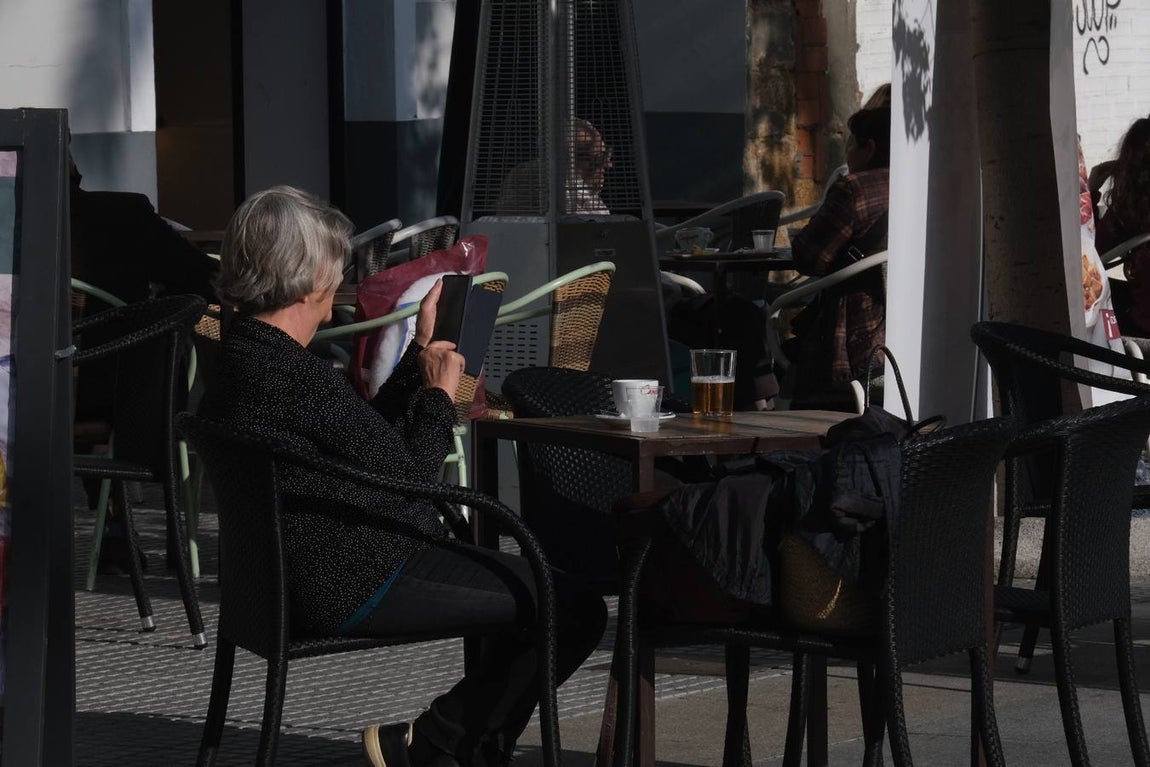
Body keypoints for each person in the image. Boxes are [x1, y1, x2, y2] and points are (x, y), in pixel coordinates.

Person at [196, 186, 607, 767]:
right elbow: (414, 479)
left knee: (534, 593)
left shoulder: (242, 357)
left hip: (285, 581)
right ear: (314, 275)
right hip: (354, 577)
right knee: (573, 605)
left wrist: (420, 355)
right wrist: (443, 395)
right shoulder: (298, 377)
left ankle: (449, 745)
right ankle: (441, 745)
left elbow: (368, 444)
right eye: (335, 270)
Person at [788, 106, 891, 405]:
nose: (845, 153)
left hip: (852, 342)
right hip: (902, 335)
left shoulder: (855, 189)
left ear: (869, 147)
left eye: (849, 142)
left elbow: (807, 258)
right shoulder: (926, 185)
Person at [1090, 116, 1150, 336]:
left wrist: (1091, 191)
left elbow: (1093, 251)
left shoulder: (1131, 209)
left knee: (1093, 298)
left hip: (1144, 327)